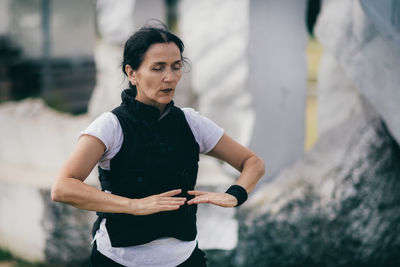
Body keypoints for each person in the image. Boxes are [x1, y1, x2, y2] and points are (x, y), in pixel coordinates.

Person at [51, 24, 265, 267]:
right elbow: (63, 188)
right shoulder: (110, 126)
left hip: (184, 259)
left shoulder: (192, 122)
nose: (170, 77)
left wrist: (235, 195)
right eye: (157, 68)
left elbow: (253, 163)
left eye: (176, 66)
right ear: (132, 73)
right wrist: (134, 205)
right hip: (118, 260)